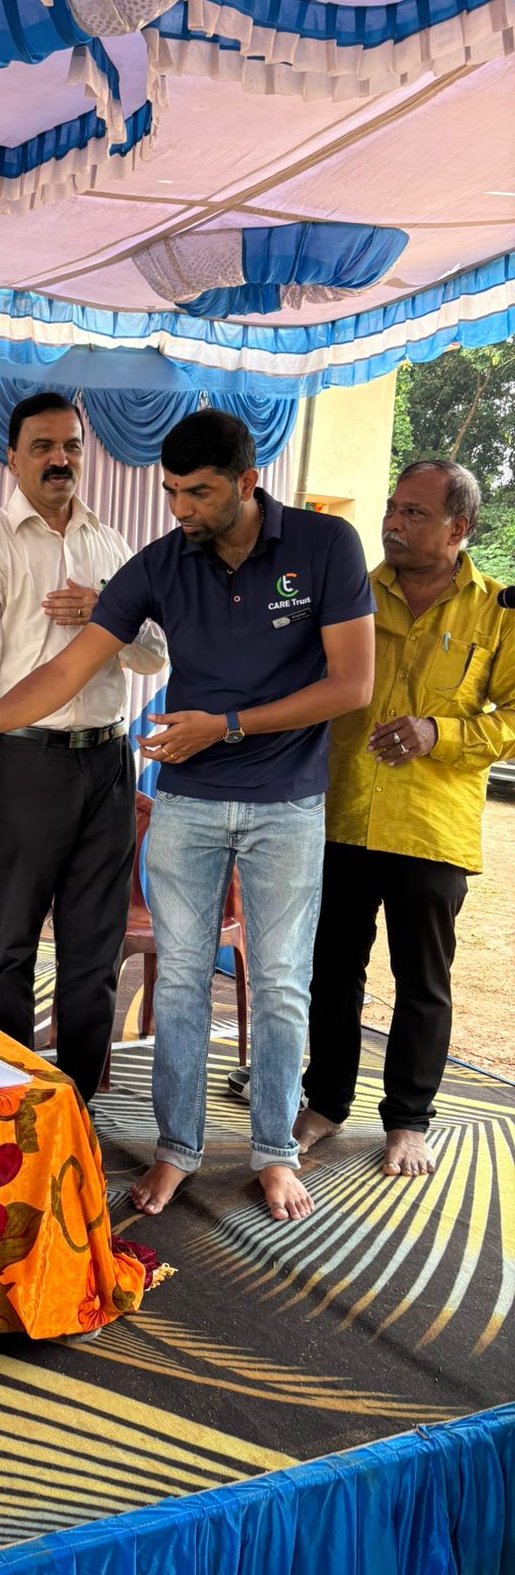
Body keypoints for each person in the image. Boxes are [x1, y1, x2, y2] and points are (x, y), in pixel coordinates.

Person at [0, 408, 376, 1222]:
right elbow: (70, 669)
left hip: (285, 804)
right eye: (171, 493)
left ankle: (274, 1151)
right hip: (187, 805)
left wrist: (225, 726)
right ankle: (176, 1149)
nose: (181, 510)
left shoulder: (323, 545)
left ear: (247, 482)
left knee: (278, 984)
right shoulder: (162, 560)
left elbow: (352, 685)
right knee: (182, 982)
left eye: (199, 494)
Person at [0, 392, 167, 1102]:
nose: (60, 460)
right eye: (43, 447)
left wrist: (107, 616)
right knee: (13, 946)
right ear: (12, 458)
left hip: (108, 764)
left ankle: (75, 1107)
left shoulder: (112, 545)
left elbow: (154, 653)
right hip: (22, 765)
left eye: (71, 446)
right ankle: (9, 1101)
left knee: (95, 949)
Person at [297, 460, 515, 1176]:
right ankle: (325, 1103)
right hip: (342, 813)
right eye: (392, 508)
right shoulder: (351, 592)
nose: (393, 523)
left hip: (431, 826)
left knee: (422, 980)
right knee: (332, 971)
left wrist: (437, 733)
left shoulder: (497, 610)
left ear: (459, 528)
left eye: (414, 513)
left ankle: (408, 1120)